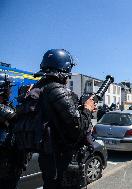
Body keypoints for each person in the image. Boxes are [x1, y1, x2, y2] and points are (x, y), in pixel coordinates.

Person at [31, 49, 96, 188]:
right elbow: (78, 127)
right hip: (63, 161)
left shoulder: (38, 88)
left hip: (48, 158)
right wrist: (88, 109)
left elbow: (57, 119)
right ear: (64, 68)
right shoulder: (57, 89)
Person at [0, 74, 26, 189]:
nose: (10, 91)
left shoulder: (6, 105)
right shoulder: (2, 108)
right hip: (5, 165)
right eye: (8, 88)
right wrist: (27, 99)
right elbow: (18, 119)